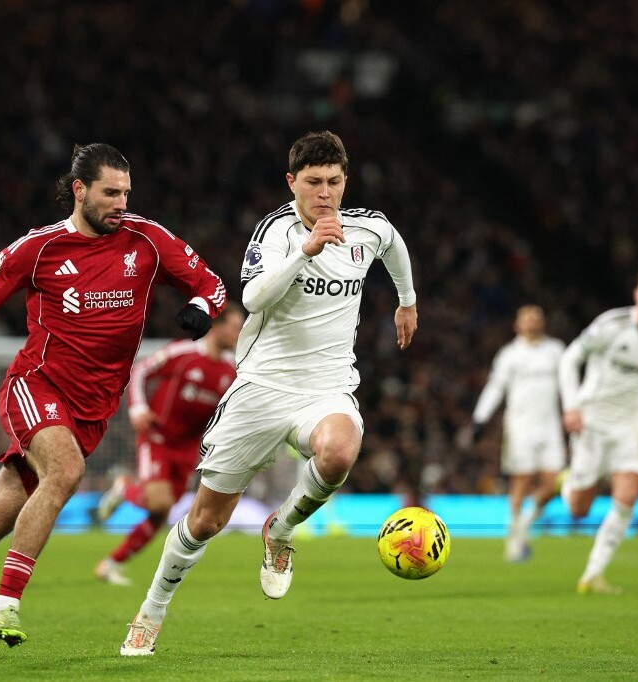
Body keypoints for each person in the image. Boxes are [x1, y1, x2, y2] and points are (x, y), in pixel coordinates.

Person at [0, 143, 227, 647]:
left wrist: (201, 308)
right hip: (36, 386)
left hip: (93, 410)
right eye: (110, 193)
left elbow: (212, 284)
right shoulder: (40, 247)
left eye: (126, 193)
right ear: (79, 190)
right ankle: (5, 608)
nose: (121, 203)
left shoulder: (148, 240)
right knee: (67, 472)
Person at [121, 130, 418, 656]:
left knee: (339, 451)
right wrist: (307, 250)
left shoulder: (367, 228)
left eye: (333, 181)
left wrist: (407, 300)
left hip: (326, 387)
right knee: (205, 521)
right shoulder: (276, 231)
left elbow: (393, 244)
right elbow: (254, 297)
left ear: (345, 181)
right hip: (261, 389)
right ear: (291, 182)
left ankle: (280, 530)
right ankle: (152, 610)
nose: (325, 192)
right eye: (313, 182)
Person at [94, 302, 245, 586]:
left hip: (189, 448)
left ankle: (110, 564)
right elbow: (140, 371)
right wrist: (138, 408)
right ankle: (125, 488)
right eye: (236, 327)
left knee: (161, 512)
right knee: (159, 502)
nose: (239, 334)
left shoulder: (231, 371)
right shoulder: (183, 352)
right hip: (158, 437)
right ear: (218, 326)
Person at [559, 264, 638, 595]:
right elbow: (570, 359)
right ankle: (567, 483)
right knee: (578, 509)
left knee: (627, 497)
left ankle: (592, 574)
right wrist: (571, 406)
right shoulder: (611, 325)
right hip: (592, 420)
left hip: (633, 428)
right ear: (637, 294)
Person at [470, 305, 565, 562]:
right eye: (527, 318)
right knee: (521, 481)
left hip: (550, 426)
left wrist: (574, 411)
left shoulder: (556, 351)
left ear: (543, 323)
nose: (532, 322)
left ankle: (522, 526)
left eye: (537, 318)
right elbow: (495, 387)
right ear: (517, 325)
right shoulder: (509, 355)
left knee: (553, 483)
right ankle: (514, 538)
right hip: (520, 426)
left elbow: (568, 385)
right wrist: (480, 418)